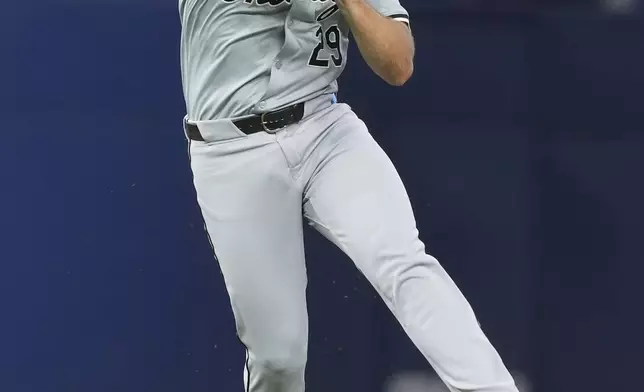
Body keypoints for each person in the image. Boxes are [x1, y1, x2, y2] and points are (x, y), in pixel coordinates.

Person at [178, 0, 519, 391]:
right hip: (230, 149)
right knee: (278, 357)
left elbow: (398, 64)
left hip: (323, 126)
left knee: (402, 262)